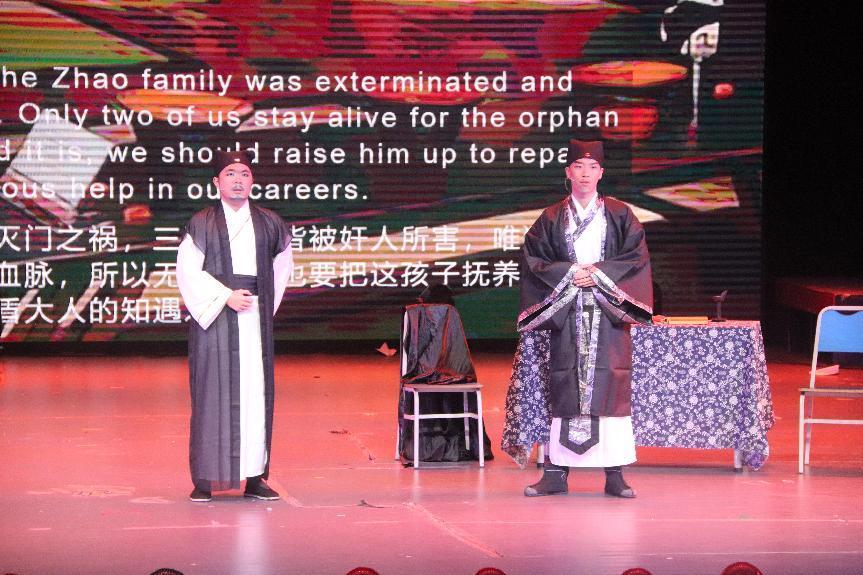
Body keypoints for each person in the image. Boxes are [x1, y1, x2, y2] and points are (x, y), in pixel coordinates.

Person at [512, 140, 653, 498]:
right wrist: (571, 273)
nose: (585, 174)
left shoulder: (620, 214)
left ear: (601, 173)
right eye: (578, 167)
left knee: (610, 388)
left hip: (608, 314)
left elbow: (636, 258)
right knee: (563, 387)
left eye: (592, 168)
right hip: (567, 313)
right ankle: (555, 473)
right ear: (568, 172)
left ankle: (615, 474)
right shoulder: (550, 218)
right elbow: (533, 259)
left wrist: (599, 275)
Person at [177, 150, 293, 502]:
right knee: (211, 393)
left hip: (254, 315)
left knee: (256, 396)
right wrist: (225, 296)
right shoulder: (201, 222)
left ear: (252, 180)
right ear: (217, 182)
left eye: (244, 173)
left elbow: (282, 268)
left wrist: (263, 305)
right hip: (216, 315)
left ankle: (255, 477)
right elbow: (187, 271)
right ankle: (205, 479)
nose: (238, 179)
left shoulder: (270, 222)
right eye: (230, 173)